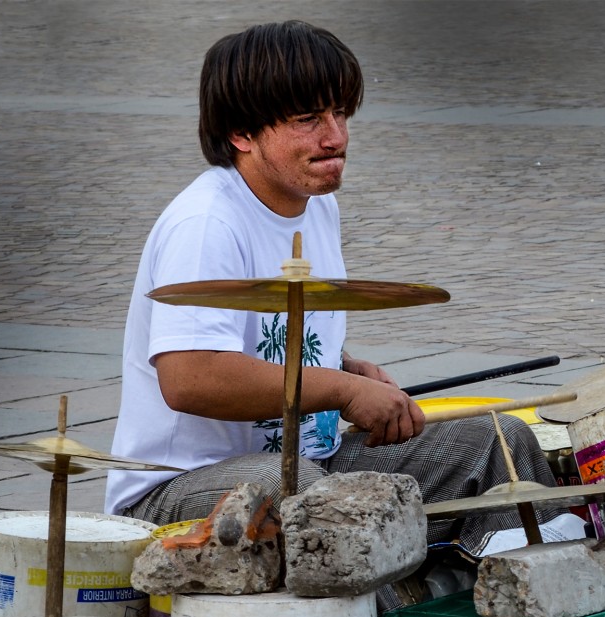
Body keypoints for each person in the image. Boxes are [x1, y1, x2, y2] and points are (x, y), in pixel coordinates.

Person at [105, 20, 559, 579]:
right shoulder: (206, 223)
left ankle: (517, 607)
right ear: (242, 133)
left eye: (340, 114)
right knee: (307, 496)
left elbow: (274, 337)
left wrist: (347, 367)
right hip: (180, 486)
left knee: (497, 440)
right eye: (307, 121)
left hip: (312, 460)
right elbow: (190, 376)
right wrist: (342, 391)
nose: (335, 136)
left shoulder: (315, 202)